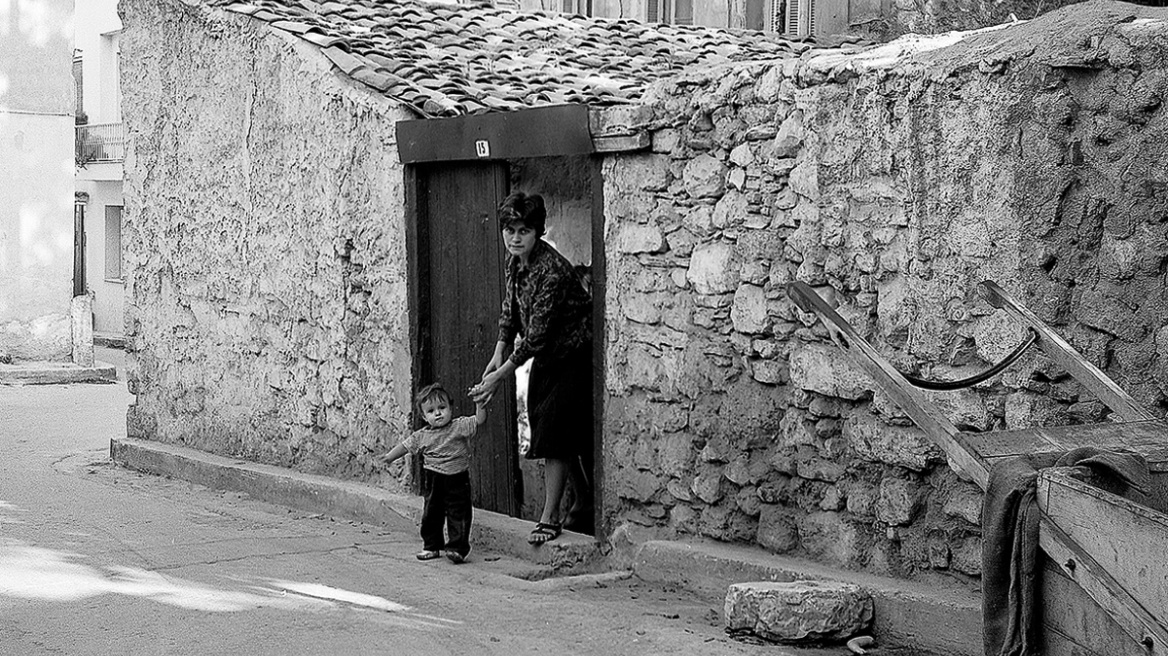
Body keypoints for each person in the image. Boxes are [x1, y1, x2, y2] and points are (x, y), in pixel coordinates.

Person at [470, 191, 593, 545]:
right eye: (509, 230)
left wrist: (499, 376)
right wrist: (498, 352)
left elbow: (537, 335)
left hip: (572, 355)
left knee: (556, 434)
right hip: (547, 357)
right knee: (541, 427)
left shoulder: (550, 270)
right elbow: (511, 310)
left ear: (537, 231)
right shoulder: (515, 262)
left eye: (523, 230)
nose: (515, 237)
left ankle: (549, 516)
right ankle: (581, 500)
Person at [378, 383, 487, 563]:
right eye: (431, 411)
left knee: (459, 513)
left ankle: (457, 549)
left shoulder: (459, 426)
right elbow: (405, 446)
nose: (438, 413)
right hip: (434, 479)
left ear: (451, 408)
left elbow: (479, 420)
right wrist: (389, 457)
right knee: (431, 513)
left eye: (442, 408)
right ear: (423, 416)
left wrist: (480, 402)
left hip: (457, 479)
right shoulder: (421, 436)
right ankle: (432, 546)